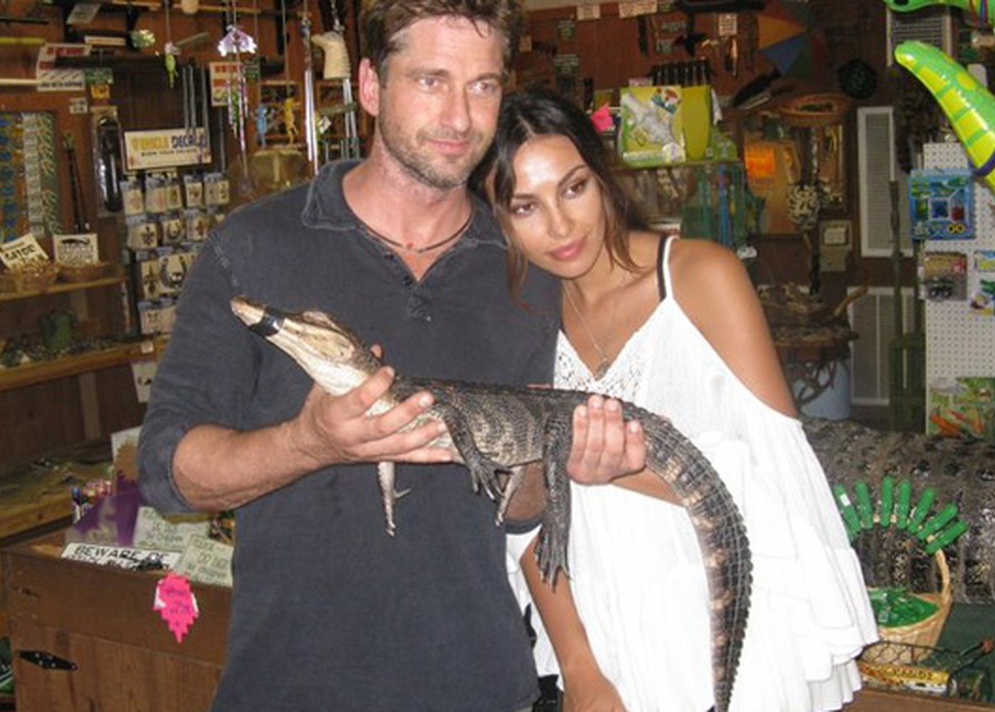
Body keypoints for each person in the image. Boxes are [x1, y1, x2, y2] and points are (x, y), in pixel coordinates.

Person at [137, 5, 643, 711]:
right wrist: (307, 443)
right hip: (291, 689)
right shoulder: (254, 248)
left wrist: (551, 456)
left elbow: (520, 517)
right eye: (431, 80)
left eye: (483, 86)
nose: (460, 117)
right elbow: (166, 472)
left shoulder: (528, 272)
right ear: (371, 86)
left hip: (479, 687)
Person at [484, 87, 878, 712]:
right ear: (498, 220)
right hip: (609, 640)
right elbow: (527, 518)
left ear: (602, 176)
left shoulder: (700, 277)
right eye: (525, 207)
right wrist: (581, 672)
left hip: (733, 637)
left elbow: (786, 482)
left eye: (573, 188)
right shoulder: (521, 319)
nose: (559, 226)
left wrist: (629, 466)